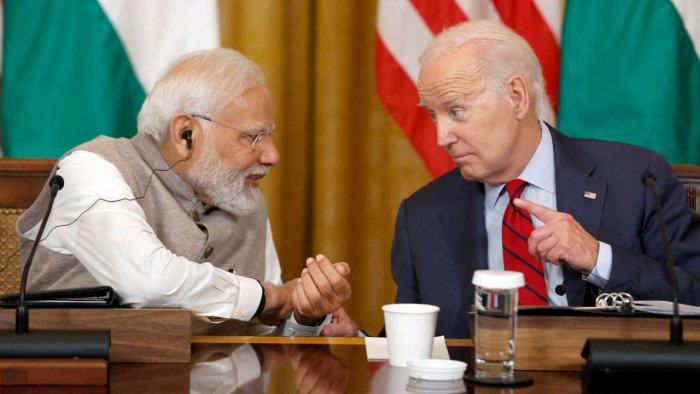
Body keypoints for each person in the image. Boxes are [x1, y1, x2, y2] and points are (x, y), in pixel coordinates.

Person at [390, 20, 700, 338]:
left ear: (516, 96)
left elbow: (695, 294)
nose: (442, 137)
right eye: (433, 115)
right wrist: (346, 333)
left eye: (456, 111)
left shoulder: (636, 180)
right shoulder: (422, 215)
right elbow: (407, 344)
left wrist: (598, 258)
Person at [16, 48, 354, 336]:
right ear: (185, 133)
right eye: (253, 137)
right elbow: (149, 283)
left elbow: (264, 334)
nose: (272, 155)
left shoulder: (244, 196)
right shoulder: (91, 168)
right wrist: (276, 298)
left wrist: (305, 316)